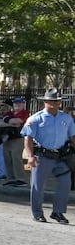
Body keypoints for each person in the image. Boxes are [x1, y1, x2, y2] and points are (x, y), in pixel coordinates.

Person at [22, 88, 75, 223]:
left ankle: (58, 212)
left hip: (61, 157)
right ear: (45, 102)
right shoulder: (35, 118)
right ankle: (38, 213)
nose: (55, 104)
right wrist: (30, 156)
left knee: (65, 183)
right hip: (43, 156)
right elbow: (28, 138)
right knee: (38, 186)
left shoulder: (66, 118)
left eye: (57, 101)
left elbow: (72, 136)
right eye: (52, 101)